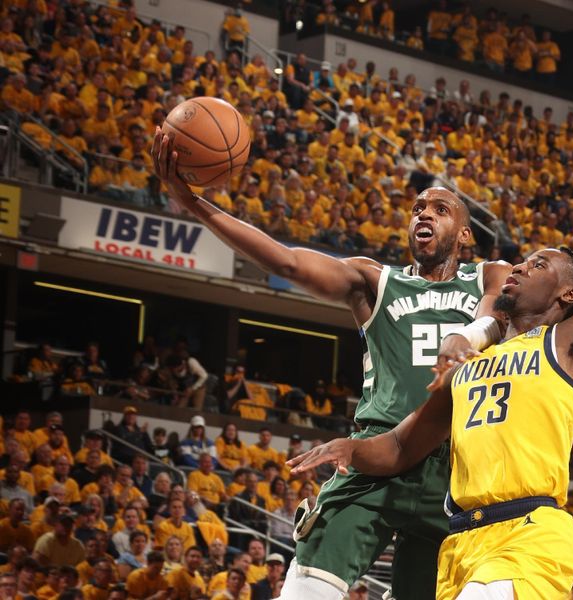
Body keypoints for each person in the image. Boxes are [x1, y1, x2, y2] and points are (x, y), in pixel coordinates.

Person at [287, 86, 573, 600]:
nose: (522, 265)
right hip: (458, 543)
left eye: (539, 264)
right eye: (523, 260)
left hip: (528, 535)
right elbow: (400, 446)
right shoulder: (471, 361)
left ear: (569, 293)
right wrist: (351, 448)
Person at [152, 124, 511, 600]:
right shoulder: (373, 280)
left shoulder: (491, 274)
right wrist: (192, 202)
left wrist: (468, 336)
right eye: (417, 208)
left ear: (465, 233)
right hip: (375, 454)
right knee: (307, 591)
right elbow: (285, 262)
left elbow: (496, 310)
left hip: (454, 470)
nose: (423, 215)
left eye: (439, 209)